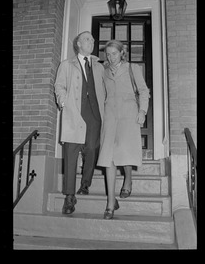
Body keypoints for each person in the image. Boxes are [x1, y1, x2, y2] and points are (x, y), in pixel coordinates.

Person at [97, 40, 150, 219]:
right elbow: (101, 94)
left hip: (129, 114)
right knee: (108, 157)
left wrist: (142, 111)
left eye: (114, 53)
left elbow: (143, 91)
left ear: (122, 53)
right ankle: (110, 203)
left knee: (125, 153)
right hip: (110, 115)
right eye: (108, 54)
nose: (111, 57)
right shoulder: (103, 72)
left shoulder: (132, 68)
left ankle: (128, 178)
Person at [54, 31, 105, 214]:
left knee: (91, 149)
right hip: (74, 113)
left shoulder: (99, 67)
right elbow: (59, 85)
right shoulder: (67, 64)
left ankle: (85, 183)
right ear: (78, 44)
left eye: (92, 39)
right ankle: (69, 196)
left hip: (94, 115)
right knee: (71, 152)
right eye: (86, 39)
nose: (91, 41)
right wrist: (63, 101)